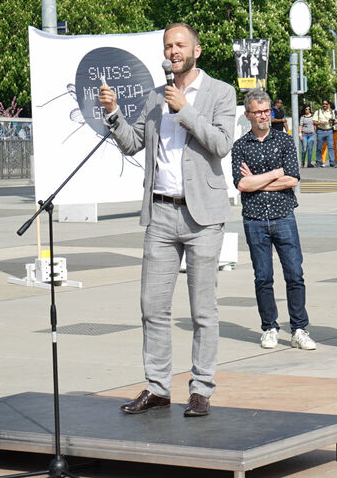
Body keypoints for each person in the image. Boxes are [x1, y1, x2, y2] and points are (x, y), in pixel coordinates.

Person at [98, 23, 235, 418]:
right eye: (167, 45)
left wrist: (186, 110)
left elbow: (222, 144)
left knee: (202, 310)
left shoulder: (219, 93)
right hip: (160, 212)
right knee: (152, 306)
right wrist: (112, 113)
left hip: (203, 217)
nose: (173, 51)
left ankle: (201, 389)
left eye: (180, 45)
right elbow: (131, 143)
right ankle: (157, 388)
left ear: (197, 49)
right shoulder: (154, 97)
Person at [232, 89, 316, 351]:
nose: (263, 116)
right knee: (263, 277)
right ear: (248, 115)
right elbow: (242, 184)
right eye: (257, 112)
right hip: (254, 218)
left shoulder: (284, 141)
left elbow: (292, 178)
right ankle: (269, 327)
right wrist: (275, 173)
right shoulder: (240, 146)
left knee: (294, 274)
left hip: (283, 216)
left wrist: (259, 180)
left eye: (266, 110)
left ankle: (299, 328)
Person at [313, 99, 337, 167]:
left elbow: (336, 121)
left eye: (326, 104)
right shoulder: (318, 112)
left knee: (331, 147)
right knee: (319, 147)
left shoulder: (331, 112)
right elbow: (314, 122)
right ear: (322, 104)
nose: (324, 105)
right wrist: (321, 122)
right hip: (320, 130)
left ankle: (332, 162)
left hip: (329, 131)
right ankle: (318, 161)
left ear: (328, 105)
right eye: (323, 104)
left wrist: (333, 122)